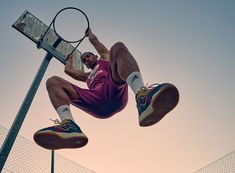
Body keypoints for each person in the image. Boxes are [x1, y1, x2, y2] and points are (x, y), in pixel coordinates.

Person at [33, 28, 179, 150]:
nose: (86, 60)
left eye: (88, 56)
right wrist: (70, 61)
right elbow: (69, 72)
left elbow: (98, 45)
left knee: (117, 47)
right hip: (95, 100)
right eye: (84, 60)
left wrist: (90, 36)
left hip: (112, 89)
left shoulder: (104, 60)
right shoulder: (87, 76)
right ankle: (69, 126)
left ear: (95, 56)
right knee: (53, 82)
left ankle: (143, 99)